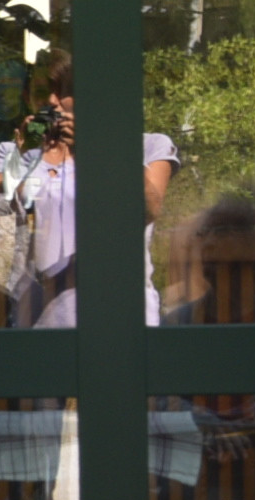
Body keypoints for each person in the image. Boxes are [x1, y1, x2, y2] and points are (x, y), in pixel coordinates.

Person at [17, 59, 178, 326]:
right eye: (50, 92)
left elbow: (148, 210)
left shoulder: (150, 145)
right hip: (50, 317)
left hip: (125, 313)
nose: (55, 101)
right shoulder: (41, 155)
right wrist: (28, 154)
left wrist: (95, 147)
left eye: (66, 90)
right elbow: (17, 209)